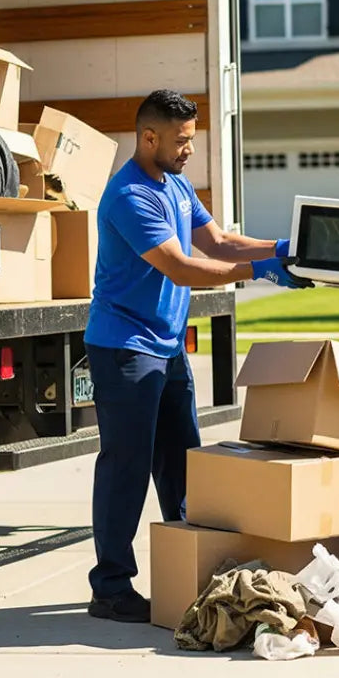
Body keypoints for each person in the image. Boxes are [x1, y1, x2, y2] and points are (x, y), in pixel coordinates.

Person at [83, 89, 305, 623]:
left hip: (165, 347)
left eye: (192, 139)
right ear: (148, 137)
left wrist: (282, 249)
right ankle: (110, 589)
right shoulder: (130, 196)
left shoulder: (176, 185)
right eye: (181, 141)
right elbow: (181, 267)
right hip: (125, 348)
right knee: (127, 467)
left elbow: (221, 243)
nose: (189, 150)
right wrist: (259, 274)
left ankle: (191, 571)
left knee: (183, 467)